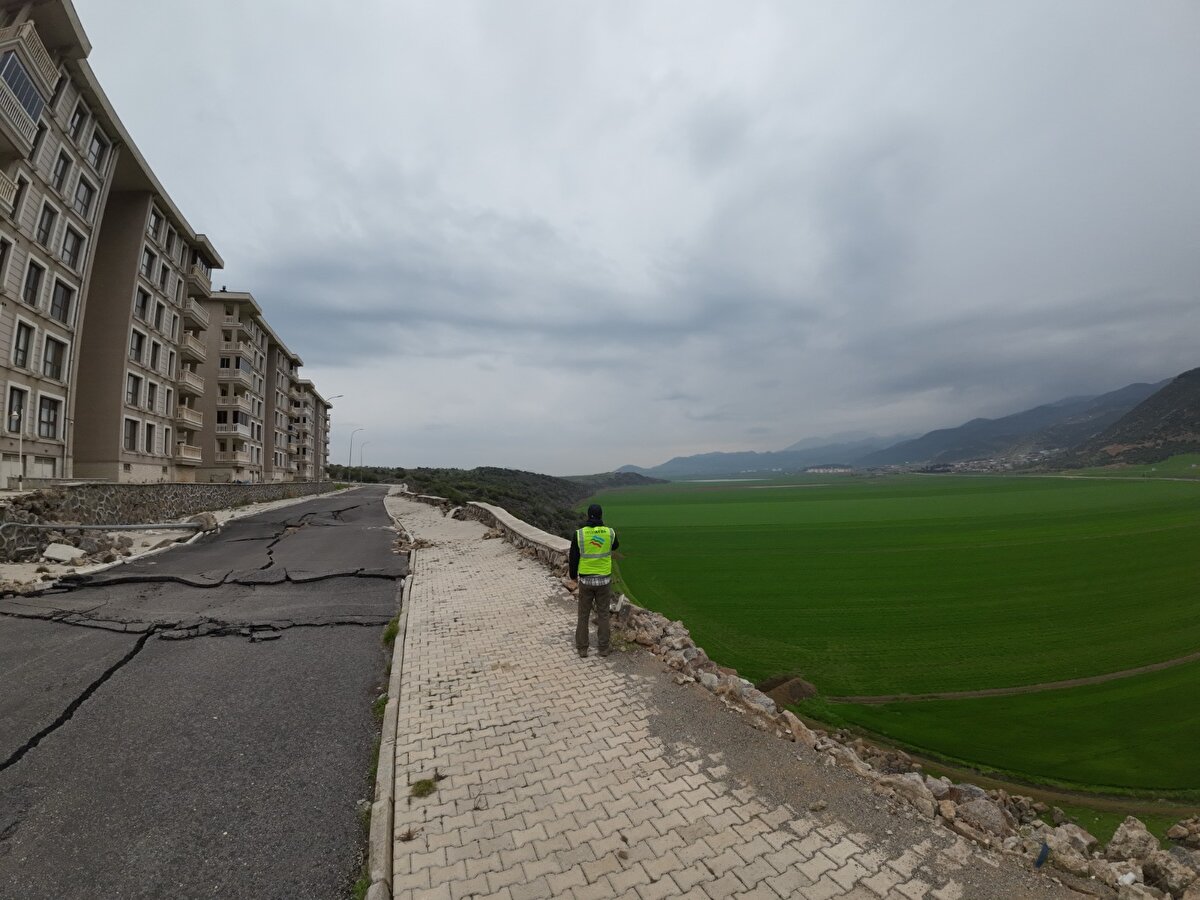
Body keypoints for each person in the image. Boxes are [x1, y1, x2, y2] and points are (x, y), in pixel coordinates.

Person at [569, 503, 619, 658]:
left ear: (588, 516)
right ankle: (603, 648)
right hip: (604, 580)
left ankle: (583, 649)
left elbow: (573, 557)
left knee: (583, 615)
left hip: (586, 580)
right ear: (601, 515)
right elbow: (616, 546)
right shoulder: (609, 532)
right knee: (604, 614)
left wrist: (572, 576)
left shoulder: (580, 534)